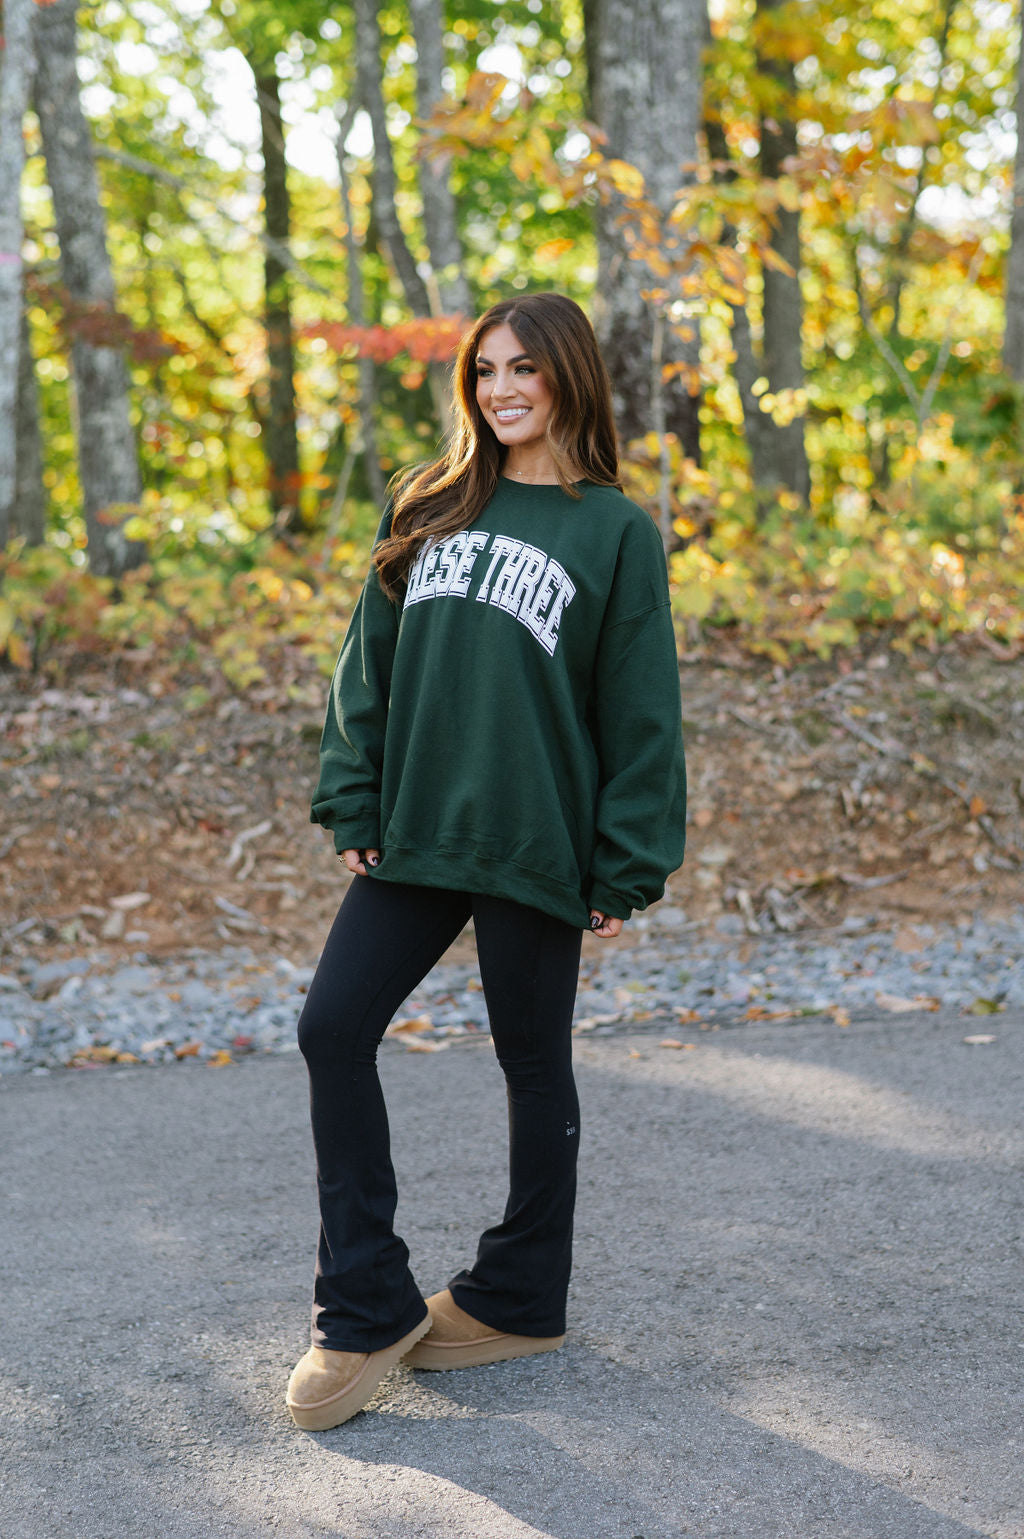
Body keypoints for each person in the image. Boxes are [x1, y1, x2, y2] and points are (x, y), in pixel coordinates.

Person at [286, 292, 687, 1431]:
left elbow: (641, 713)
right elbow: (362, 668)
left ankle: (520, 1295)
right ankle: (362, 1307)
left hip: (535, 838)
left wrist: (627, 859)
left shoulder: (611, 530)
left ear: (567, 378)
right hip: (415, 830)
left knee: (530, 1063)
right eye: (485, 371)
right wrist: (351, 792)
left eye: (524, 369)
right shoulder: (431, 501)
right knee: (331, 1028)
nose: (501, 389)